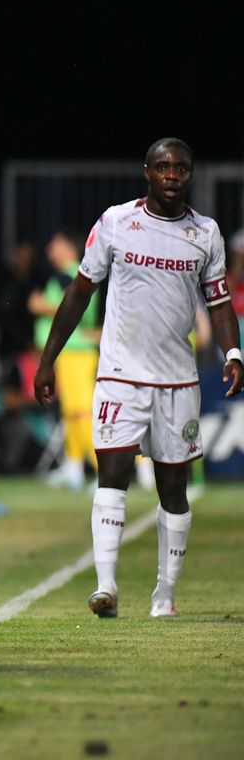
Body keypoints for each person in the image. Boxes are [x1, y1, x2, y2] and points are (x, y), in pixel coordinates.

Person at [34, 138, 243, 619]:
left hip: (177, 382)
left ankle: (164, 595)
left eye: (182, 168)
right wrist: (49, 359)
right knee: (113, 471)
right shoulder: (115, 223)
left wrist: (233, 352)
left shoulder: (204, 233)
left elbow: (218, 302)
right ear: (146, 172)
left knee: (173, 487)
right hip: (120, 375)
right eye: (163, 166)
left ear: (189, 176)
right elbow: (80, 292)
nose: (172, 174)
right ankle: (106, 586)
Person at [29, 231, 100, 490]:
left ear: (70, 248)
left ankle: (102, 469)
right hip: (70, 352)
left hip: (76, 351)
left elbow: (70, 307)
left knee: (81, 411)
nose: (50, 251)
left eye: (55, 245)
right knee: (71, 411)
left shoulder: (69, 275)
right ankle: (74, 467)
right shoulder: (71, 275)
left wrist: (40, 305)